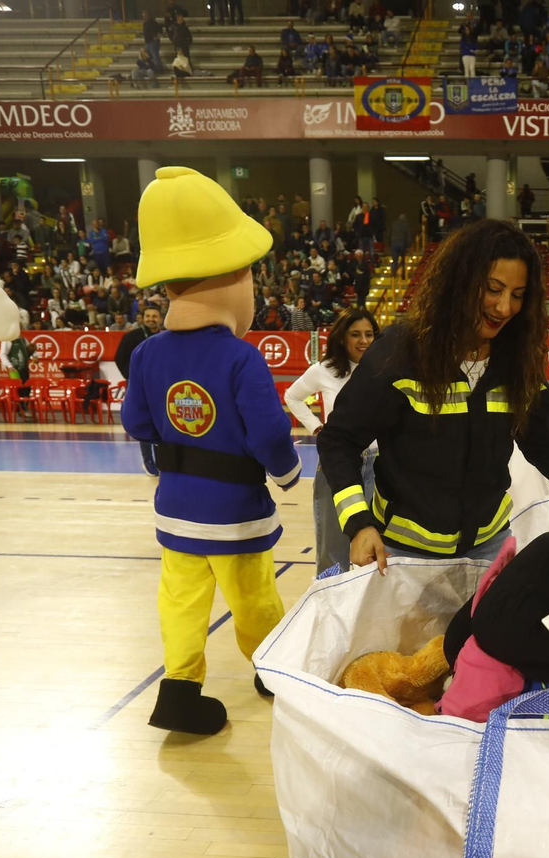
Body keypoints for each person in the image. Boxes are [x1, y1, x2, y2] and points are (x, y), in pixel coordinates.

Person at [317, 219, 549, 572]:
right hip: (402, 554)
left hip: (489, 549)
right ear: (460, 283)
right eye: (493, 289)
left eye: (518, 295)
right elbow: (338, 441)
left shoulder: (517, 364)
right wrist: (358, 523)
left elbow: (546, 445)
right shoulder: (398, 355)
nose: (505, 307)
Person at [120, 166, 302, 736]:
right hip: (234, 512)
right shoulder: (241, 358)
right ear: (232, 280)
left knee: (180, 599)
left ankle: (178, 689)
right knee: (252, 597)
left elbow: (135, 422)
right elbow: (270, 433)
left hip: (175, 505)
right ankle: (274, 670)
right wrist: (289, 472)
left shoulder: (148, 354)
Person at [285, 309, 380, 578]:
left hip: (379, 466)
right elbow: (292, 397)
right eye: (356, 334)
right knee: (332, 553)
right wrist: (317, 427)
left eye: (369, 334)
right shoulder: (323, 370)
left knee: (374, 547)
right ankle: (329, 612)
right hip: (336, 467)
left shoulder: (385, 369)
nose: (364, 340)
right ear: (341, 338)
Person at [114, 303, 165, 473]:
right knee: (144, 421)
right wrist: (130, 377)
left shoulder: (166, 338)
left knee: (161, 423)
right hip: (139, 387)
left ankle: (162, 459)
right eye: (148, 316)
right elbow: (119, 358)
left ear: (161, 319)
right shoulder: (132, 337)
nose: (151, 319)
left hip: (160, 386)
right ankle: (148, 461)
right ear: (143, 318)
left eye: (155, 316)